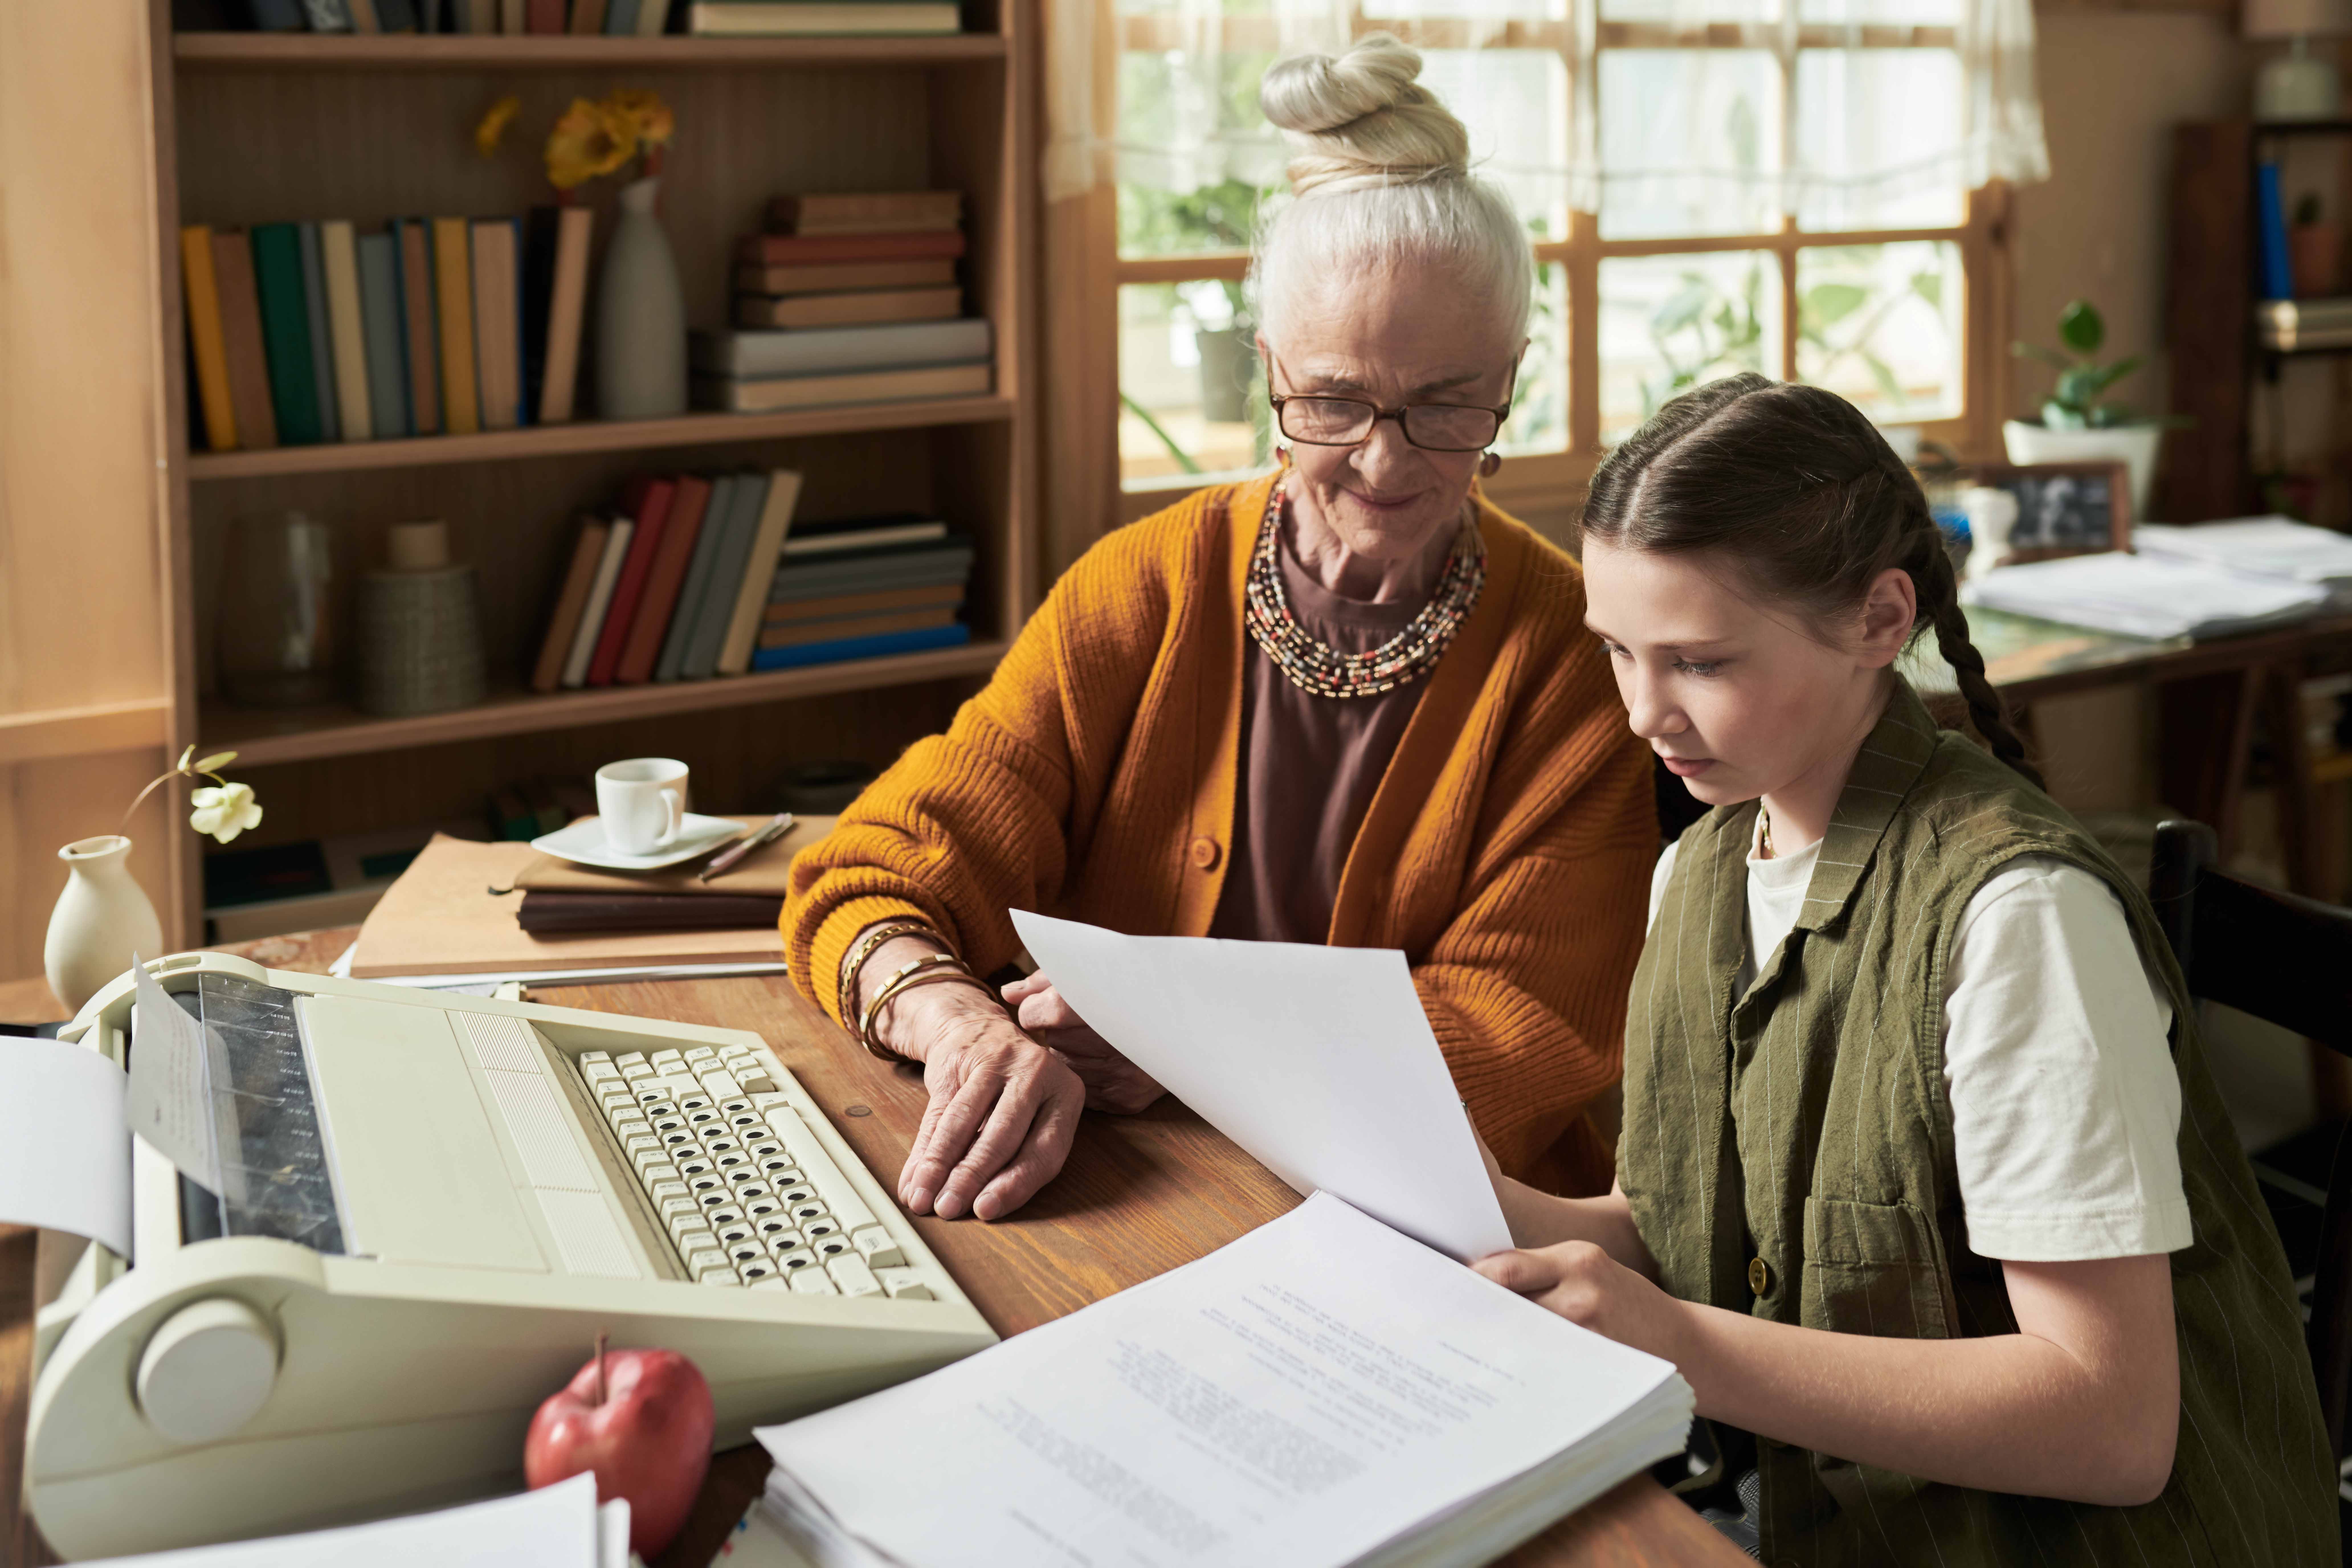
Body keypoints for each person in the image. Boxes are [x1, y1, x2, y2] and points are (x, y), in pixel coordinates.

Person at [782, 35, 1655, 1224]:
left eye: (1447, 402)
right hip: (1122, 1214)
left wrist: (1201, 1045)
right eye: (1336, 400)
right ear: (1269, 374)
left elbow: (1531, 1027)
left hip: (1437, 1233)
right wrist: (956, 1022)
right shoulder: (1147, 585)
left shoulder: (1568, 661)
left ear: (1513, 376)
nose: (1385, 460)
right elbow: (871, 872)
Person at [1471, 373, 2336, 1563]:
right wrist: (1466, 1202)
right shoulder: (1703, 871)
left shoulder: (2017, 919)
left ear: (1883, 620)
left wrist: (1680, 1340)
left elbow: (2114, 1421)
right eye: (1618, 651)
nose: (1642, 714)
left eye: (1701, 662)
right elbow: (1697, 1222)